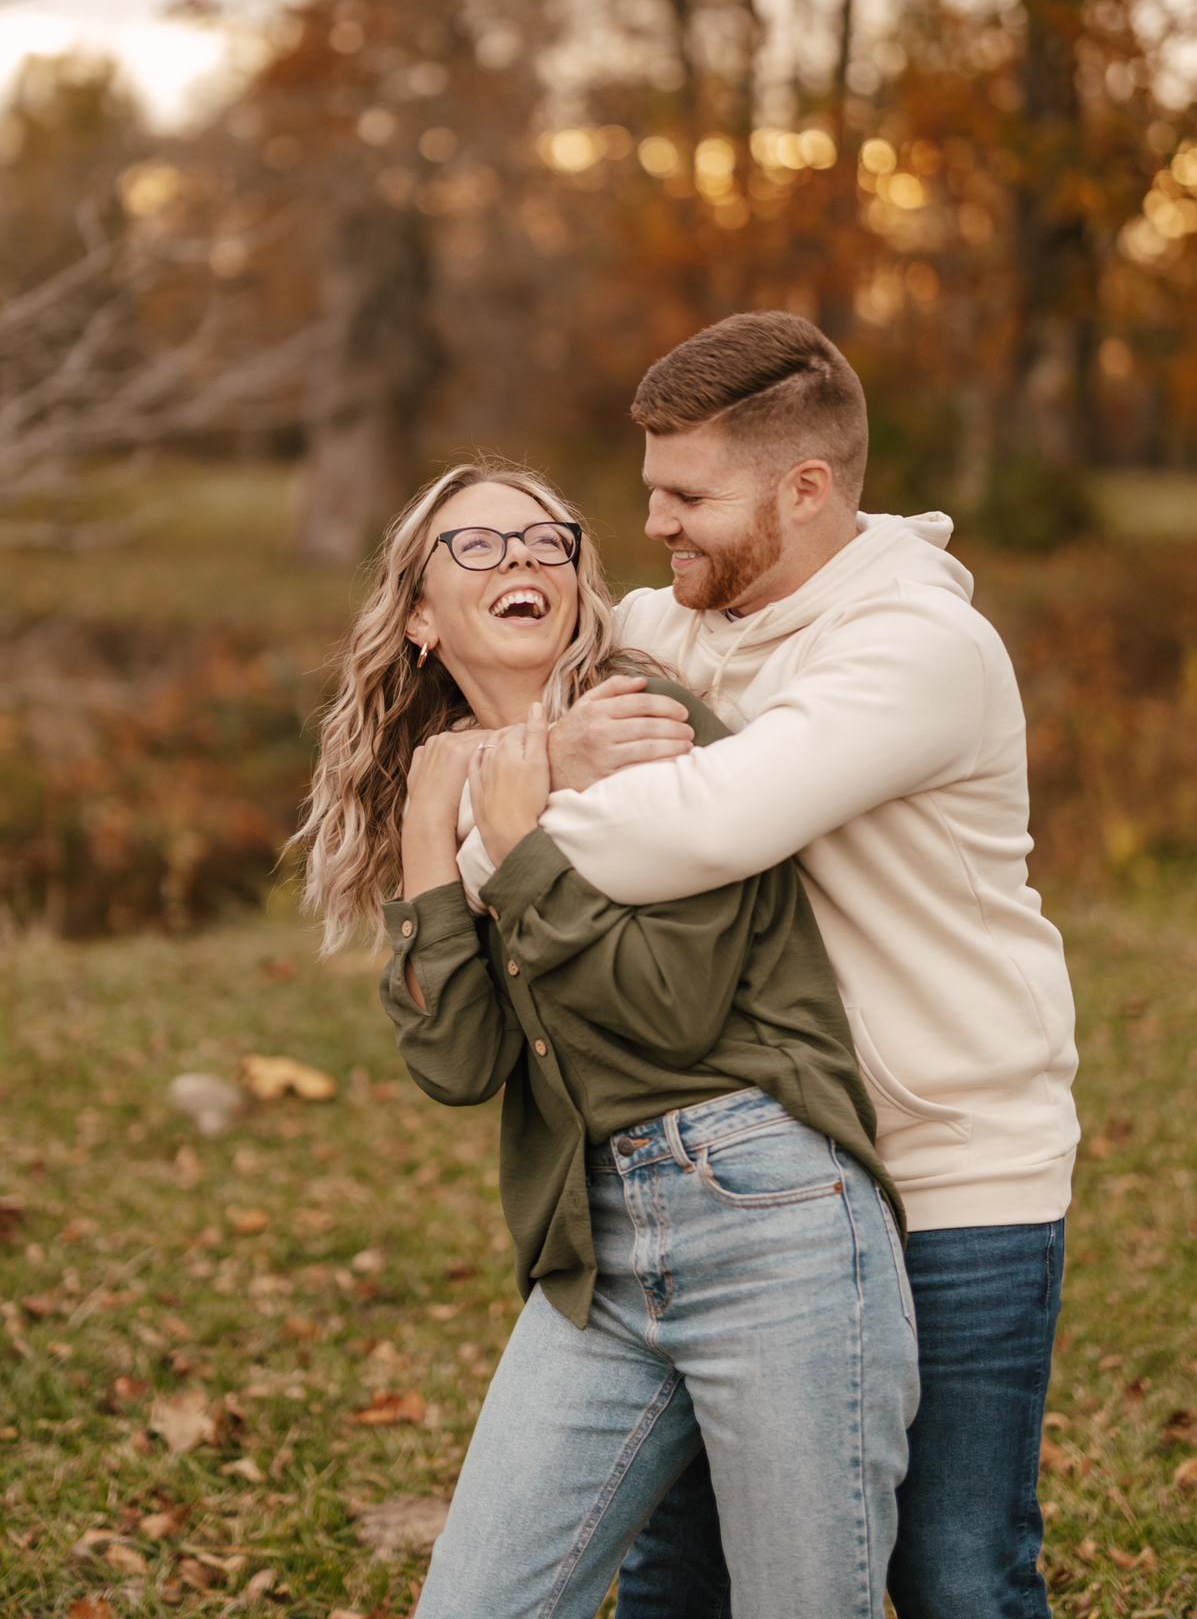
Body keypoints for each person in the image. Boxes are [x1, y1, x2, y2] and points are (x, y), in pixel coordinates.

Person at [506, 312, 1080, 1619]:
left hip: (947, 1177)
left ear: (805, 490)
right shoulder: (678, 621)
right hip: (763, 1184)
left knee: (953, 1576)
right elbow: (513, 672)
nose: (652, 522)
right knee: (676, 1575)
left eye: (686, 494)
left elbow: (703, 831)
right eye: (648, 486)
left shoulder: (914, 649)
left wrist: (509, 816)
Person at [295, 460, 918, 1619]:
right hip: (596, 1255)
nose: (523, 558)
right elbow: (458, 1062)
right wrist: (436, 831)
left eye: (545, 539)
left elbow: (671, 1010)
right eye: (475, 546)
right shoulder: (465, 782)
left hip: (771, 1214)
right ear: (419, 618)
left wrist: (517, 842)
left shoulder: (645, 722)